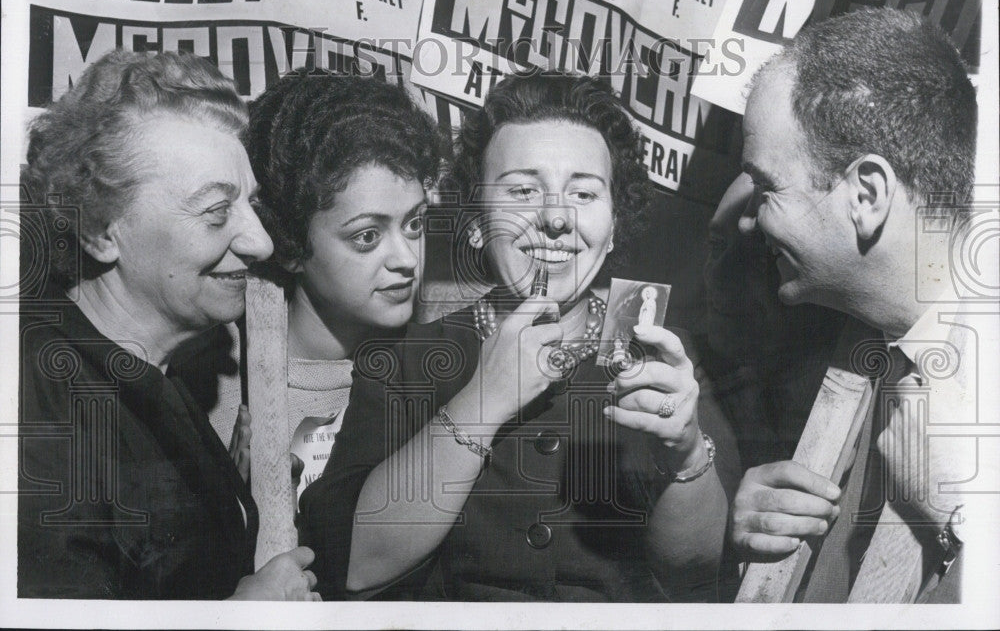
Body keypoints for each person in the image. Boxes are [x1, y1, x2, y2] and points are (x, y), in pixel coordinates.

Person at [300, 72, 740, 601]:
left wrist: (685, 450)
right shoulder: (405, 362)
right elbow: (353, 566)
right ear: (478, 220)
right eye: (523, 190)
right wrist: (486, 399)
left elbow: (696, 575)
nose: (555, 217)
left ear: (614, 222)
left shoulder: (671, 361)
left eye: (583, 192)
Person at [18, 49, 320, 600]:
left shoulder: (154, 371)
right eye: (215, 212)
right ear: (101, 230)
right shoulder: (32, 403)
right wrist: (242, 614)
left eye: (249, 204)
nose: (261, 242)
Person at [730, 7, 982, 602]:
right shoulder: (859, 349)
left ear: (866, 195)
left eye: (766, 188)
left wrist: (964, 516)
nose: (747, 221)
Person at [241, 70, 442, 498]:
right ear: (290, 245)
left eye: (414, 224)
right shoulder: (217, 393)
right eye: (367, 236)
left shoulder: (434, 374)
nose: (406, 260)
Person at [699, 173, 847, 470]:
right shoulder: (682, 388)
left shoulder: (848, 411)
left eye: (759, 255)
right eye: (717, 245)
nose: (718, 276)